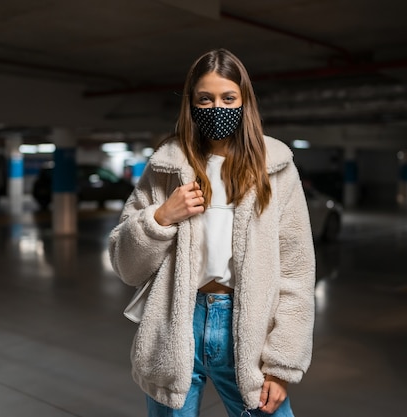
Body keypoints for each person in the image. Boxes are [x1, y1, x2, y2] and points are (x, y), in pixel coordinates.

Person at [108, 48, 315, 417]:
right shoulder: (166, 166)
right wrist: (160, 218)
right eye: (205, 99)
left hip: (247, 330)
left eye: (227, 98)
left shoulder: (277, 168)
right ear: (191, 104)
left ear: (244, 101)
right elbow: (126, 266)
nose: (217, 107)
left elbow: (296, 271)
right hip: (176, 326)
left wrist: (281, 365)